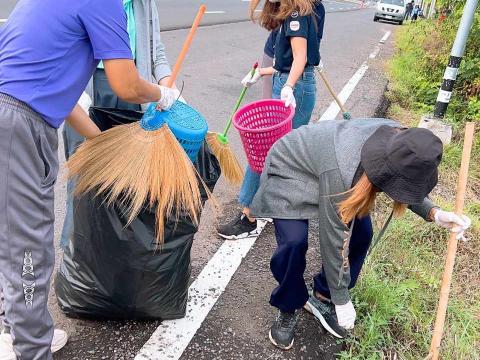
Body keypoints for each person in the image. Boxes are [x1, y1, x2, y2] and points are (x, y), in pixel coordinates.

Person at [0, 0, 177, 358]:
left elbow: (58, 94)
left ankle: (14, 329)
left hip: (11, 113)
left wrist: (103, 145)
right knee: (29, 250)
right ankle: (31, 349)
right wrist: (164, 94)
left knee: (10, 236)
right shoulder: (103, 2)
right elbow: (126, 85)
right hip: (18, 126)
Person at [247, 119, 471, 350]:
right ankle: (288, 305)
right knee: (293, 243)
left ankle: (322, 296)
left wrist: (435, 213)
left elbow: (403, 178)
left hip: (328, 170)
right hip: (292, 167)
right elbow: (334, 238)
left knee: (362, 235)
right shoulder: (343, 169)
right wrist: (342, 297)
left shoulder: (402, 143)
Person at [60, 0, 177, 249]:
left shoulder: (144, 4)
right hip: (87, 91)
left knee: (124, 179)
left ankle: (113, 257)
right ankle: (75, 257)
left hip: (133, 92)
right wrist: (71, 88)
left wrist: (168, 87)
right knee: (84, 178)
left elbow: (156, 52)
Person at [218, 0, 325, 240]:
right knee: (276, 152)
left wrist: (288, 86)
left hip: (294, 89)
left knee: (264, 151)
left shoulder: (297, 14)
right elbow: (286, 63)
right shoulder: (292, 11)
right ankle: (269, 206)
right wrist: (259, 73)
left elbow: (300, 58)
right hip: (290, 83)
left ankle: (249, 217)